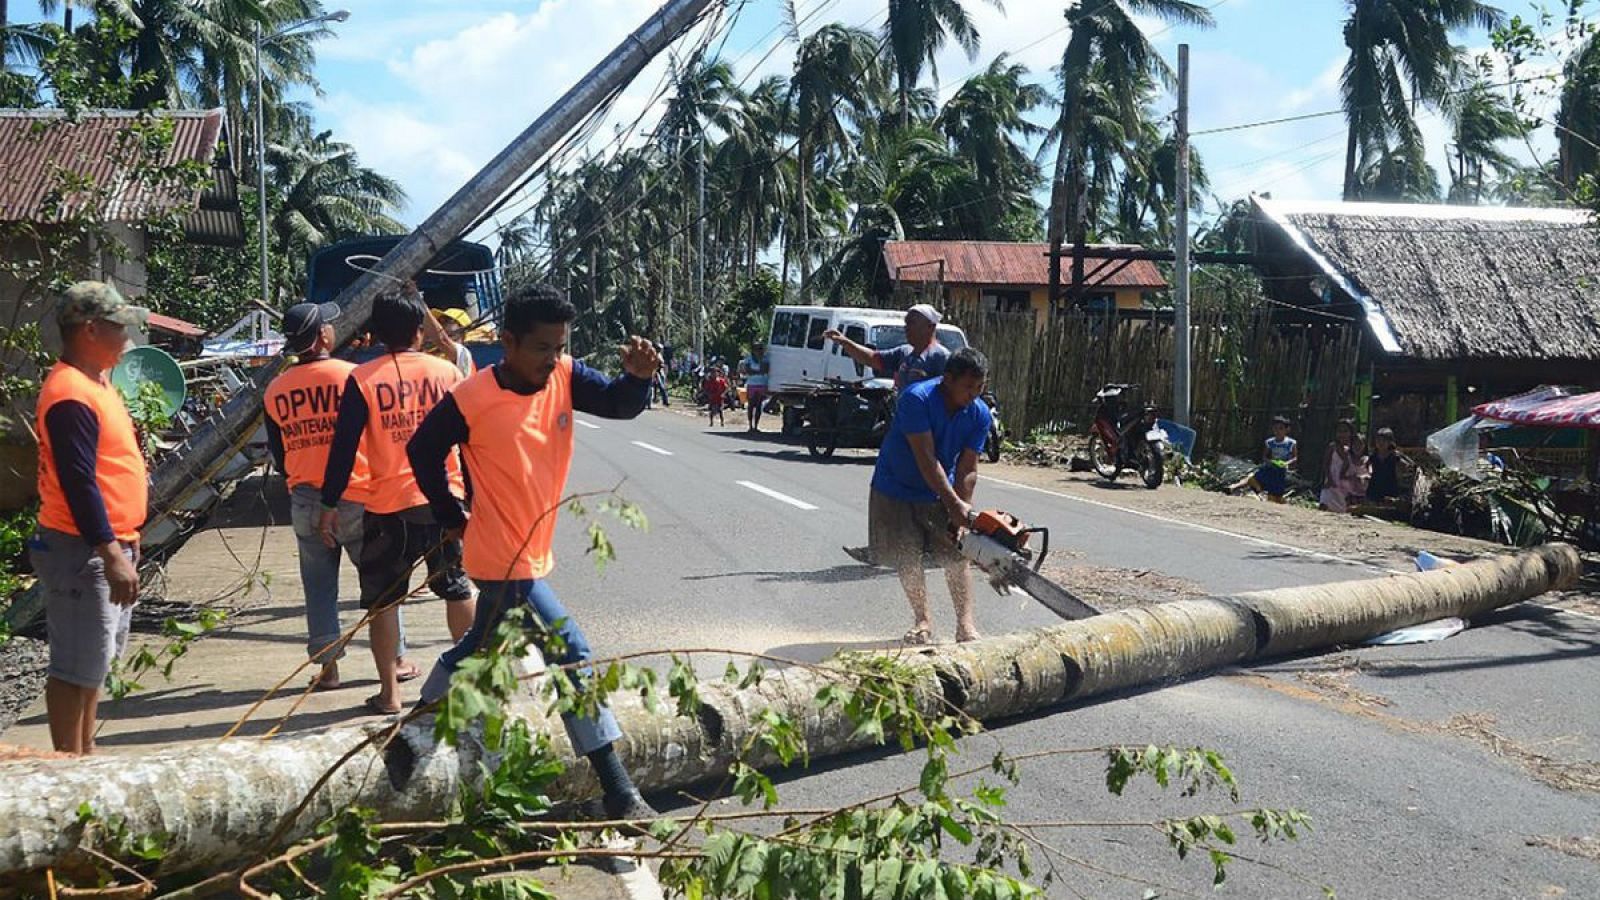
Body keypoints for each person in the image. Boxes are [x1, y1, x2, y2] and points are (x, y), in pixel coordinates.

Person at [408, 283, 661, 819]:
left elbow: (617, 403)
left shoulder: (564, 376)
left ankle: (417, 722)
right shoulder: (472, 397)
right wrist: (452, 515)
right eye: (542, 347)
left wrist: (639, 378)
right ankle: (618, 790)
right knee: (569, 648)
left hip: (531, 549)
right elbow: (422, 450)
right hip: (500, 554)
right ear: (508, 342)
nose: (554, 357)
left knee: (480, 645)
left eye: (560, 345)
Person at [320, 291, 477, 715]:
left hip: (389, 507)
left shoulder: (362, 378)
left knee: (383, 602)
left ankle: (390, 695)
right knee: (457, 587)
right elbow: (472, 438)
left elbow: (344, 449)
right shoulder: (447, 372)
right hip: (444, 501)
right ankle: (465, 687)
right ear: (418, 331)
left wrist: (329, 504)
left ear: (374, 334)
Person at [30, 282, 148, 754]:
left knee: (94, 662)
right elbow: (79, 482)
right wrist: (110, 552)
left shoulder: (95, 383)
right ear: (91, 329)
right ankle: (67, 763)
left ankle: (86, 753)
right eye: (120, 327)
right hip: (82, 548)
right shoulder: (70, 394)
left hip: (109, 542)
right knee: (74, 666)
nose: (127, 337)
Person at [265, 301, 396, 690]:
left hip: (305, 498)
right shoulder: (355, 377)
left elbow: (280, 455)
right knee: (381, 583)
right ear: (323, 335)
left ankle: (328, 670)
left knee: (319, 586)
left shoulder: (275, 390)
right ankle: (396, 662)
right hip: (358, 494)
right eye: (329, 325)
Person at [857, 348, 992, 645]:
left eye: (979, 388)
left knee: (957, 557)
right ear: (947, 379)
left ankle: (965, 625)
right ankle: (922, 619)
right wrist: (953, 504)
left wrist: (963, 512)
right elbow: (926, 457)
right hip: (895, 486)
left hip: (942, 489)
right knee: (909, 555)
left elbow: (968, 467)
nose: (973, 394)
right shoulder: (917, 399)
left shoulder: (979, 414)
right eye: (967, 387)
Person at [824, 303, 949, 389]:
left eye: (912, 323)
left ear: (930, 327)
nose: (906, 328)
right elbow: (872, 358)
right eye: (906, 323)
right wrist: (844, 341)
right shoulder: (904, 352)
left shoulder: (940, 357)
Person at [1233, 415, 1297, 502]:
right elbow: (1264, 456)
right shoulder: (1270, 442)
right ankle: (1259, 491)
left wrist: (1286, 463)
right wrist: (1269, 461)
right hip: (1270, 467)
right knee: (1255, 479)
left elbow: (1295, 457)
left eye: (1281, 428)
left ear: (1287, 430)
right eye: (1275, 429)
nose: (1278, 431)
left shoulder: (1291, 443)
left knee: (1275, 493)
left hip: (1281, 470)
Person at [1318, 418, 1367, 514]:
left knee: (1342, 510)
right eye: (1339, 431)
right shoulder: (1332, 447)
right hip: (1331, 481)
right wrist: (1329, 478)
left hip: (1344, 485)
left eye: (1345, 431)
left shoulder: (1352, 449)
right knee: (1325, 504)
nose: (1342, 434)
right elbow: (1326, 464)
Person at [1363, 427, 1412, 505]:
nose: (1380, 443)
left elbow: (1407, 466)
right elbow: (1367, 465)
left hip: (1389, 485)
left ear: (1389, 442)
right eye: (1378, 440)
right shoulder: (1374, 456)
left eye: (1383, 441)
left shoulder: (1394, 456)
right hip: (1375, 485)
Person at [424, 307, 477, 378]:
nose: (441, 325)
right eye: (440, 321)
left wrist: (418, 301)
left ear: (463, 334)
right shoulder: (429, 351)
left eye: (448, 320)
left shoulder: (463, 354)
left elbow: (442, 340)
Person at [738, 343, 769, 432]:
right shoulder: (749, 359)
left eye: (760, 349)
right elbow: (748, 371)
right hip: (751, 384)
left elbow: (765, 370)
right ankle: (750, 425)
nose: (759, 351)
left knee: (759, 405)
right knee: (751, 405)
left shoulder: (765, 359)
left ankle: (756, 426)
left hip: (762, 384)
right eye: (757, 349)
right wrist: (758, 371)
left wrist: (755, 371)